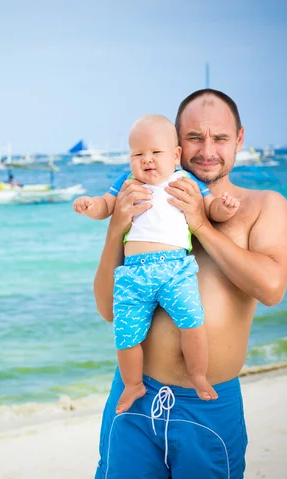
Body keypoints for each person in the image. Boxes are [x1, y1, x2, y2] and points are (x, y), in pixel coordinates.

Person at [93, 89, 287, 478]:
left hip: (209, 404)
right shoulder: (143, 208)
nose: (207, 150)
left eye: (219, 138)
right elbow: (107, 309)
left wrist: (200, 223)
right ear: (175, 145)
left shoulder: (263, 206)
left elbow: (271, 288)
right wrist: (115, 227)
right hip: (134, 396)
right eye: (194, 138)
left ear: (238, 139)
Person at [73, 115, 240, 415]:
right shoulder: (126, 182)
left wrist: (223, 208)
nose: (147, 160)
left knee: (192, 322)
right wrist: (90, 205)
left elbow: (210, 208)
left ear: (175, 156)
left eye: (155, 152)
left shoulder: (185, 181)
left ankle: (198, 375)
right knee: (125, 336)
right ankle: (133, 384)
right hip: (133, 273)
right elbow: (105, 206)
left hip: (175, 268)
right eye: (138, 154)